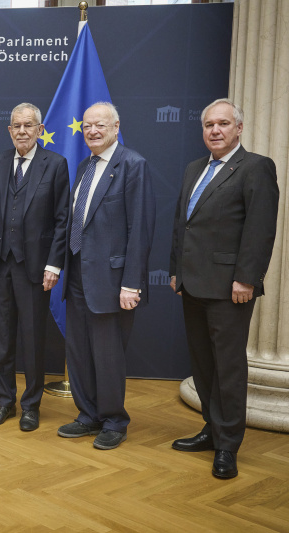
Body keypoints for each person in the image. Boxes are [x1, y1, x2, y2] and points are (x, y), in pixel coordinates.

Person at [169, 98, 279, 479]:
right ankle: (212, 429)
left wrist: (247, 278)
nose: (215, 130)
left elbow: (260, 229)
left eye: (223, 124)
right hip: (193, 284)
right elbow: (182, 225)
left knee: (229, 368)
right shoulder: (194, 169)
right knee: (203, 364)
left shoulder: (255, 168)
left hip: (230, 287)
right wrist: (175, 270)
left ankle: (229, 445)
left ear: (239, 128)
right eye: (209, 125)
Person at [58, 102, 155, 450]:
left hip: (113, 283)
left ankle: (114, 420)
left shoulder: (132, 165)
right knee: (80, 352)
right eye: (86, 126)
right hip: (78, 277)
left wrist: (131, 283)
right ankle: (88, 415)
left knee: (108, 354)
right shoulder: (84, 166)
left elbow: (140, 230)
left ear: (116, 126)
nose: (93, 131)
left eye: (100, 125)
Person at [0, 103, 70, 431]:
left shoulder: (56, 164)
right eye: (16, 126)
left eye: (28, 126)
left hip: (35, 269)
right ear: (9, 130)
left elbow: (63, 220)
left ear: (39, 129)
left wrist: (53, 265)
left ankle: (31, 405)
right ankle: (5, 401)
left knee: (32, 340)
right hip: (1, 265)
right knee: (2, 339)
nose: (22, 131)